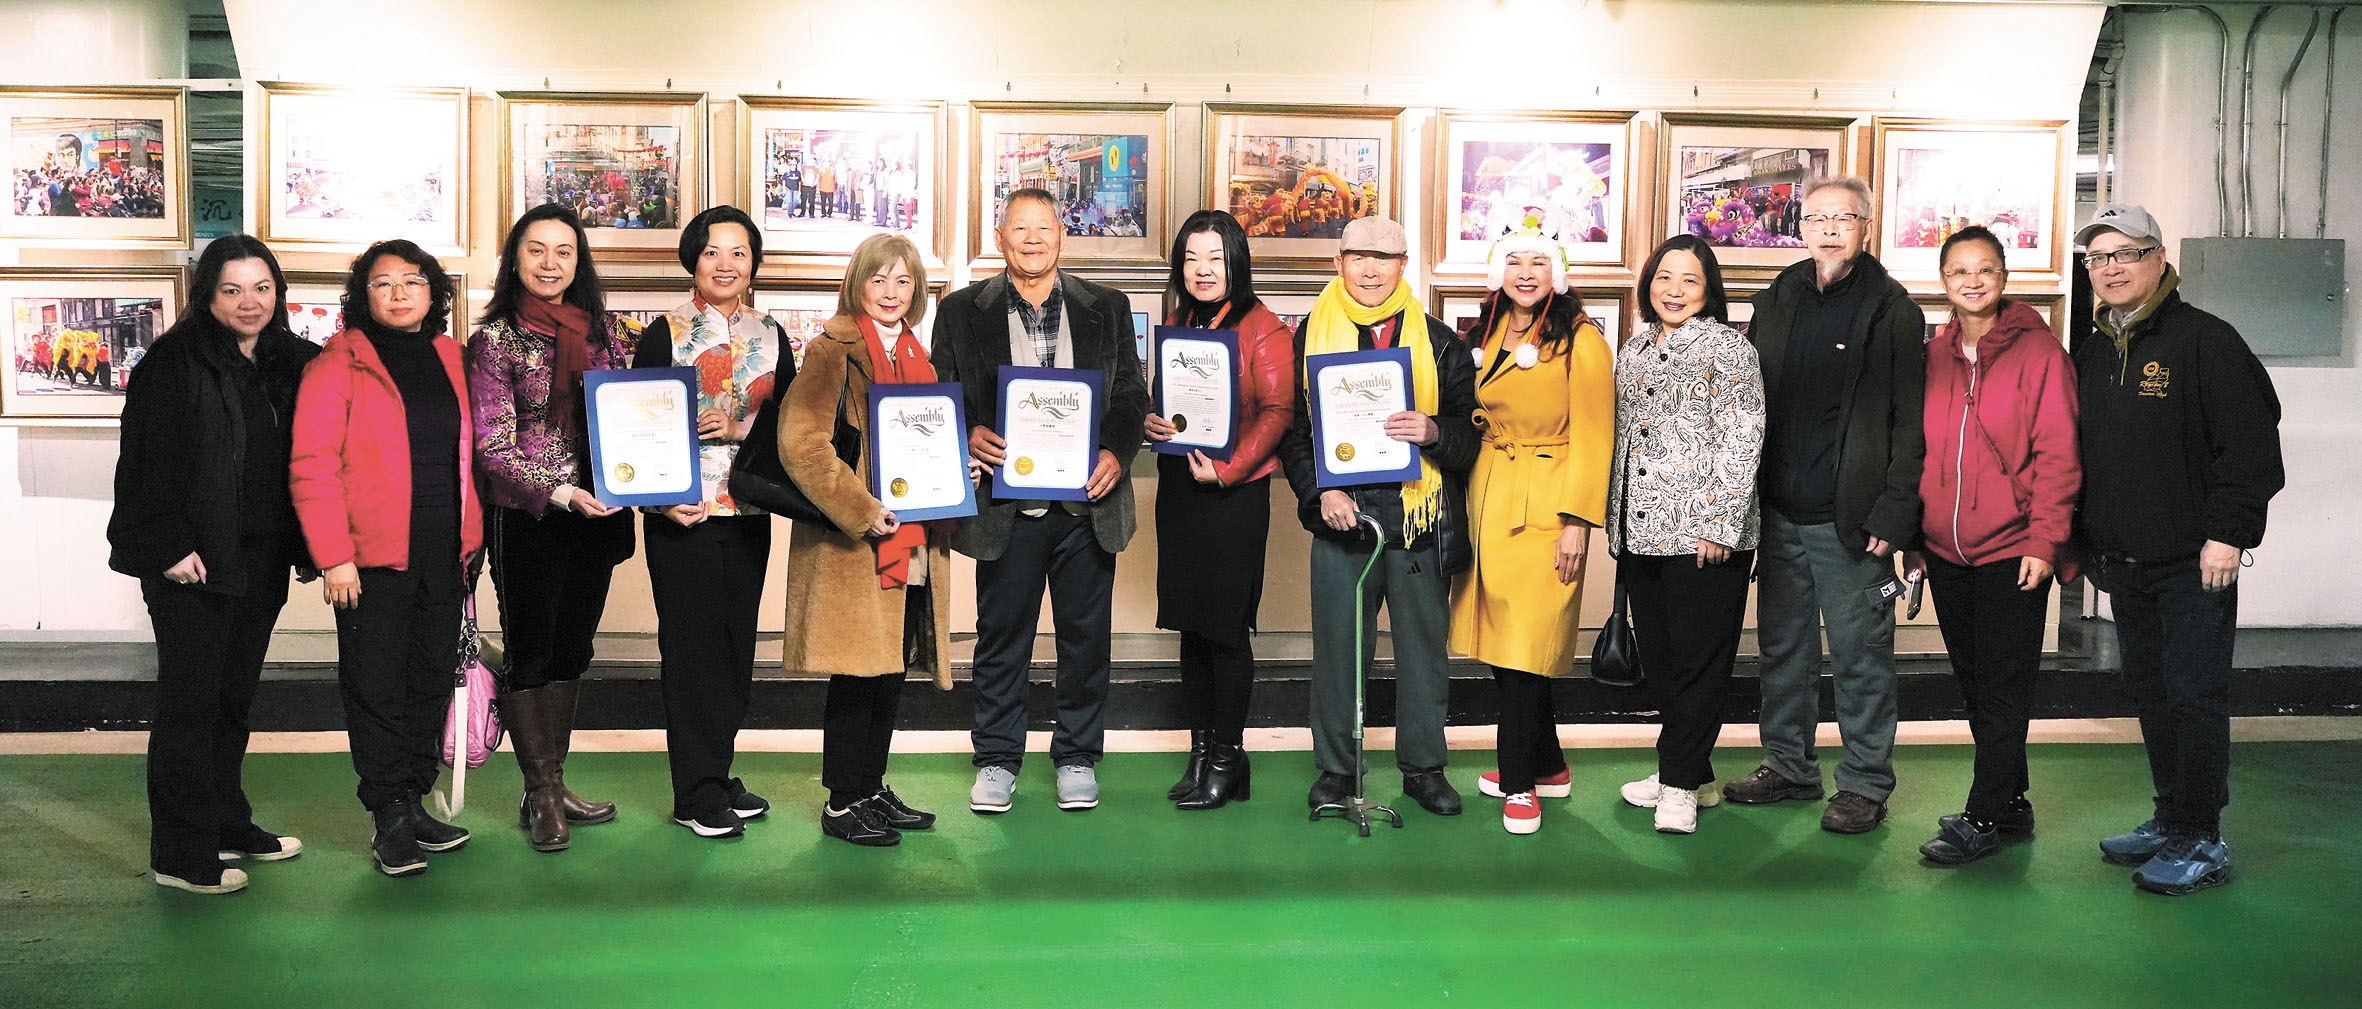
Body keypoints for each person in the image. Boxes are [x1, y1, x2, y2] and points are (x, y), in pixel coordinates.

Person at [2072, 204, 2284, 895]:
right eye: (2097, 257)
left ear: (2160, 258)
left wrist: (2228, 532)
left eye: (2124, 254)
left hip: (2195, 562)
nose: (2109, 268)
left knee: (2195, 696)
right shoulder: (2096, 346)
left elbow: (2252, 446)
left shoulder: (2205, 340)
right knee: (2152, 694)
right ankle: (2169, 818)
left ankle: (2203, 836)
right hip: (2126, 564)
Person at [109, 235, 321, 894]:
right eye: (231, 289)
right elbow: (143, 466)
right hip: (191, 563)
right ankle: (180, 852)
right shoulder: (173, 362)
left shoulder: (288, 360)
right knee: (189, 704)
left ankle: (227, 822)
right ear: (206, 295)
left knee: (232, 700)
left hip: (259, 556)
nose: (249, 302)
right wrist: (167, 547)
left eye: (262, 288)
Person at [931, 188, 1149, 814]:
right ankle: (997, 759)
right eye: (1019, 228)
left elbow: (1132, 396)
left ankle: (1077, 756)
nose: (1032, 239)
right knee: (1003, 637)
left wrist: (1115, 451)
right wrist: (966, 429)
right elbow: (943, 392)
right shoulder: (962, 310)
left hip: (1087, 505)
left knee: (1086, 638)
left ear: (1062, 237)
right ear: (999, 238)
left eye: (1044, 228)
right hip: (1008, 505)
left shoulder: (1106, 307)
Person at [1725, 176, 1926, 834]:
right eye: (1818, 218)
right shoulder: (1779, 296)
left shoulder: (1891, 308)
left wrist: (1892, 515)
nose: (1831, 229)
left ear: (1866, 226)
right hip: (1781, 514)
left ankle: (1865, 782)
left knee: (1861, 655)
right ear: (1800, 226)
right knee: (1783, 650)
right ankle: (1788, 764)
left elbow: (1908, 424)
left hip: (1852, 525)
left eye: (1845, 217)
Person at [1276, 216, 1480, 817]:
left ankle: (1423, 768)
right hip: (1342, 520)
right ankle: (1338, 771)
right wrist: (1320, 497)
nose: (1370, 269)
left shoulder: (1442, 342)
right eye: (1358, 257)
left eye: (1384, 259)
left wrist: (1435, 431)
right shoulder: (1309, 334)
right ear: (1337, 263)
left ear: (1403, 266)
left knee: (1423, 652)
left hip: (1419, 519)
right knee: (1339, 651)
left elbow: (1471, 440)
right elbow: (1295, 434)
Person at [290, 239, 480, 876]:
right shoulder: (336, 365)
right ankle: (388, 816)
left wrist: (472, 540)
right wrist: (334, 557)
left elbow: (472, 456)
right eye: (382, 283)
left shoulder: (453, 358)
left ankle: (416, 796)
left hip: (444, 551)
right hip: (367, 562)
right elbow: (312, 468)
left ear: (434, 292)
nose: (399, 293)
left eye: (413, 280)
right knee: (376, 687)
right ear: (361, 296)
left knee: (430, 678)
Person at [1892, 226, 2082, 865]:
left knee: (2004, 685)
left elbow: (2059, 454)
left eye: (1986, 269)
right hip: (1946, 553)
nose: (1972, 281)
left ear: (2004, 277)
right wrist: (1915, 538)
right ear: (1943, 282)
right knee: (1976, 683)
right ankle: (2013, 800)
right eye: (1959, 272)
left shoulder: (2041, 354)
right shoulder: (1934, 354)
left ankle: (1982, 815)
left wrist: (2045, 541)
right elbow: (1918, 453)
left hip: (2013, 552)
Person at [466, 203, 639, 853]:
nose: (549, 263)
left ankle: (553, 780)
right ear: (515, 260)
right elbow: (492, 447)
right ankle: (540, 794)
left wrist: (642, 475)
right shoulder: (495, 342)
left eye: (563, 252)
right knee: (531, 652)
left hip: (597, 517)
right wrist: (563, 490)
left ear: (578, 262)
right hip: (531, 517)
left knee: (573, 652)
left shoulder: (604, 335)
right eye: (536, 250)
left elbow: (629, 418)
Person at [778, 233, 953, 847]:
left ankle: (871, 785)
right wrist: (862, 509)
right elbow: (801, 444)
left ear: (917, 291)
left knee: (889, 664)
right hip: (860, 536)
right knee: (856, 671)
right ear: (858, 283)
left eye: (902, 281)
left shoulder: (916, 354)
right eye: (878, 279)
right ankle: (842, 801)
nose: (890, 292)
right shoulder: (831, 351)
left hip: (906, 536)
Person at [1445, 217, 1613, 836]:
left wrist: (1576, 523)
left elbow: (1597, 437)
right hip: (1488, 493)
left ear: (1556, 274)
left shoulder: (1581, 338)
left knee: (1524, 646)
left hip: (1546, 503)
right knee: (1506, 643)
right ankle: (1547, 763)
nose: (1525, 274)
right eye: (1515, 262)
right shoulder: (1486, 329)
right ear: (1499, 270)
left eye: (1538, 264)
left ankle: (1517, 782)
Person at [632, 206, 787, 839]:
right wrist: (657, 500)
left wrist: (743, 426)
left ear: (753, 263)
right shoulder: (662, 334)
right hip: (683, 514)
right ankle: (694, 792)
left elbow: (791, 429)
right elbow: (633, 425)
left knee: (734, 648)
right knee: (691, 652)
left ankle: (716, 770)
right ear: (692, 260)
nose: (726, 264)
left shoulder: (774, 334)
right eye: (712, 252)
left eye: (739, 253)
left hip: (748, 511)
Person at [1608, 235, 1765, 835]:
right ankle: (1688, 769)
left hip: (1704, 534)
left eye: (1690, 281)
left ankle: (1678, 785)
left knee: (1701, 661)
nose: (1674, 290)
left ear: (1709, 290)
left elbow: (1743, 435)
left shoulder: (1727, 348)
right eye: (1664, 278)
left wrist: (1719, 523)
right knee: (1666, 662)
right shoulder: (1635, 347)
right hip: (1642, 530)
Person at [1141, 210, 1296, 810]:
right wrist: (1155, 422)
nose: (1202, 270)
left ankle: (1228, 757)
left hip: (1233, 494)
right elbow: (1172, 403)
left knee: (1227, 631)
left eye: (1215, 258)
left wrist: (1229, 469)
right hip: (1182, 490)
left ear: (1236, 261)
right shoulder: (1179, 323)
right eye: (1191, 259)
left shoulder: (1265, 328)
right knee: (1191, 626)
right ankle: (1202, 751)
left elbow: (1278, 413)